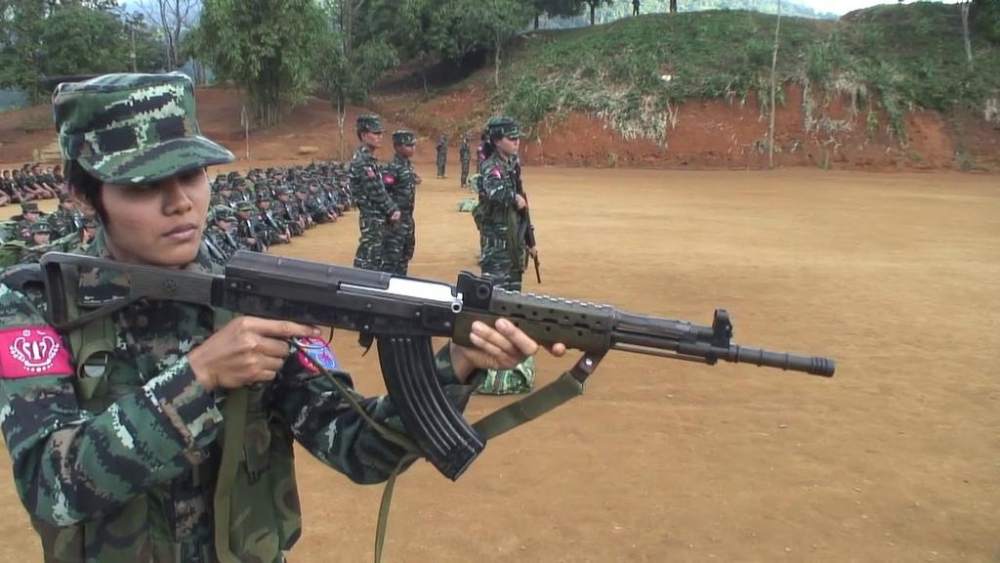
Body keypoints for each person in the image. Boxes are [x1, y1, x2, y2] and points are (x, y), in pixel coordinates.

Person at [0, 72, 562, 563]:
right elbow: (54, 488)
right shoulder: (36, 305)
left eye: (192, 175)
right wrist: (200, 377)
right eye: (145, 186)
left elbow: (358, 449)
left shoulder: (253, 293)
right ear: (83, 196)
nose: (181, 203)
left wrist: (453, 367)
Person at [474, 116, 542, 395]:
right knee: (494, 300)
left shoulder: (512, 167)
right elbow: (494, 193)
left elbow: (523, 210)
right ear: (496, 140)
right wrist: (513, 197)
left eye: (517, 137)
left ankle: (509, 353)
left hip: (513, 244)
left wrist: (530, 241)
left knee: (512, 299)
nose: (516, 142)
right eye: (510, 138)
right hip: (497, 248)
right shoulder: (492, 167)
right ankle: (487, 359)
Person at [349, 114, 399, 270]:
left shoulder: (368, 159)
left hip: (376, 216)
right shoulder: (363, 161)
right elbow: (376, 190)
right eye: (375, 133)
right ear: (364, 135)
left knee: (374, 255)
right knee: (369, 256)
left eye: (381, 133)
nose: (380, 137)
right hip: (371, 216)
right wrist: (392, 208)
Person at [381, 130, 421, 275]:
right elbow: (383, 192)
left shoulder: (407, 166)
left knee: (405, 257)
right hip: (395, 222)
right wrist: (390, 212)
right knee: (392, 260)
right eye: (408, 145)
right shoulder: (392, 168)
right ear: (397, 147)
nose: (412, 148)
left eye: (413, 145)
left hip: (408, 219)